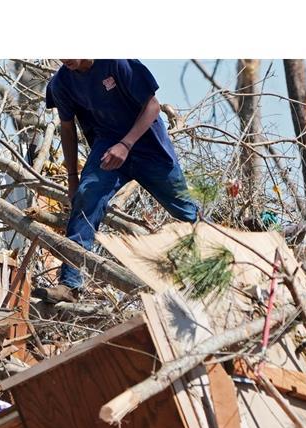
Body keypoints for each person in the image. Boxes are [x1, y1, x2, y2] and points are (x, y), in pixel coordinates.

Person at [41, 59, 198, 301]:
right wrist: (72, 178)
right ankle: (70, 284)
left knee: (188, 213)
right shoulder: (63, 82)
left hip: (149, 147)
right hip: (108, 147)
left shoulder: (116, 62)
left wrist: (126, 144)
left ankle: (214, 268)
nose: (67, 57)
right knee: (87, 196)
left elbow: (153, 106)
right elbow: (67, 127)